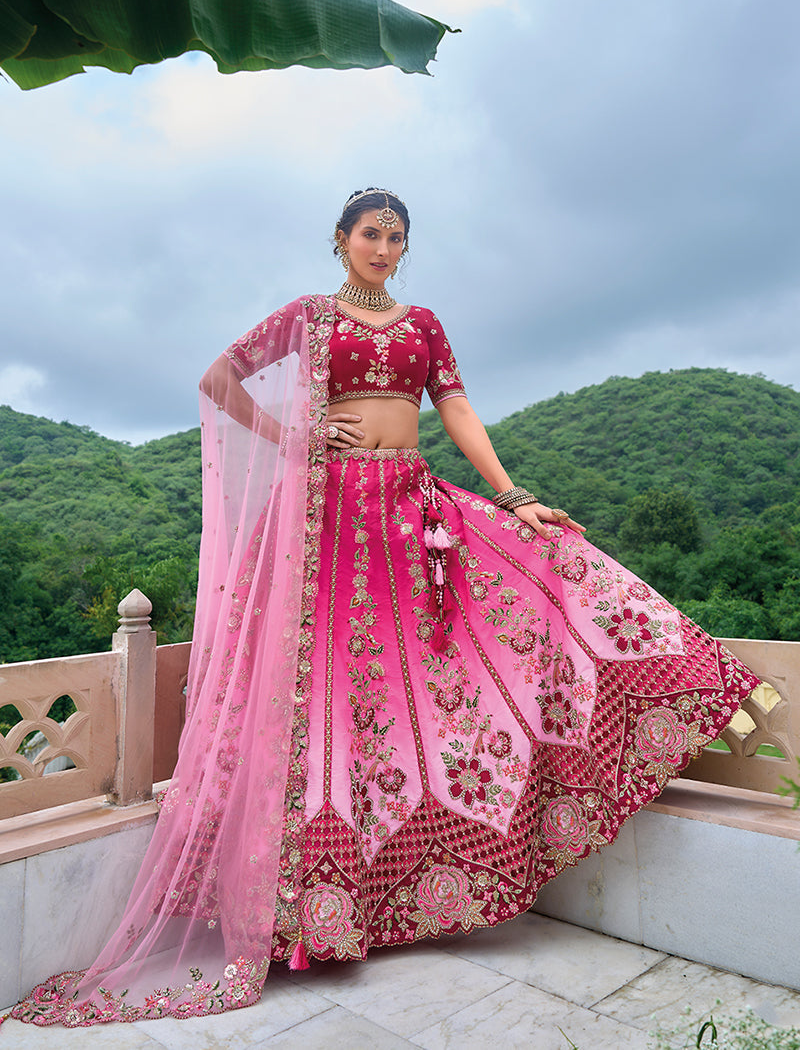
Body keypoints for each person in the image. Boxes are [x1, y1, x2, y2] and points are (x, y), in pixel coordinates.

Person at [11, 189, 759, 1027]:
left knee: (428, 680)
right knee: (325, 698)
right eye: (371, 232)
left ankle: (404, 881)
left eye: (397, 236)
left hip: (410, 510)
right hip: (324, 519)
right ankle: (306, 909)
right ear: (340, 240)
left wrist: (514, 497)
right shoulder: (307, 316)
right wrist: (294, 435)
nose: (384, 246)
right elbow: (219, 378)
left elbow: (456, 409)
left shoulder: (425, 324)